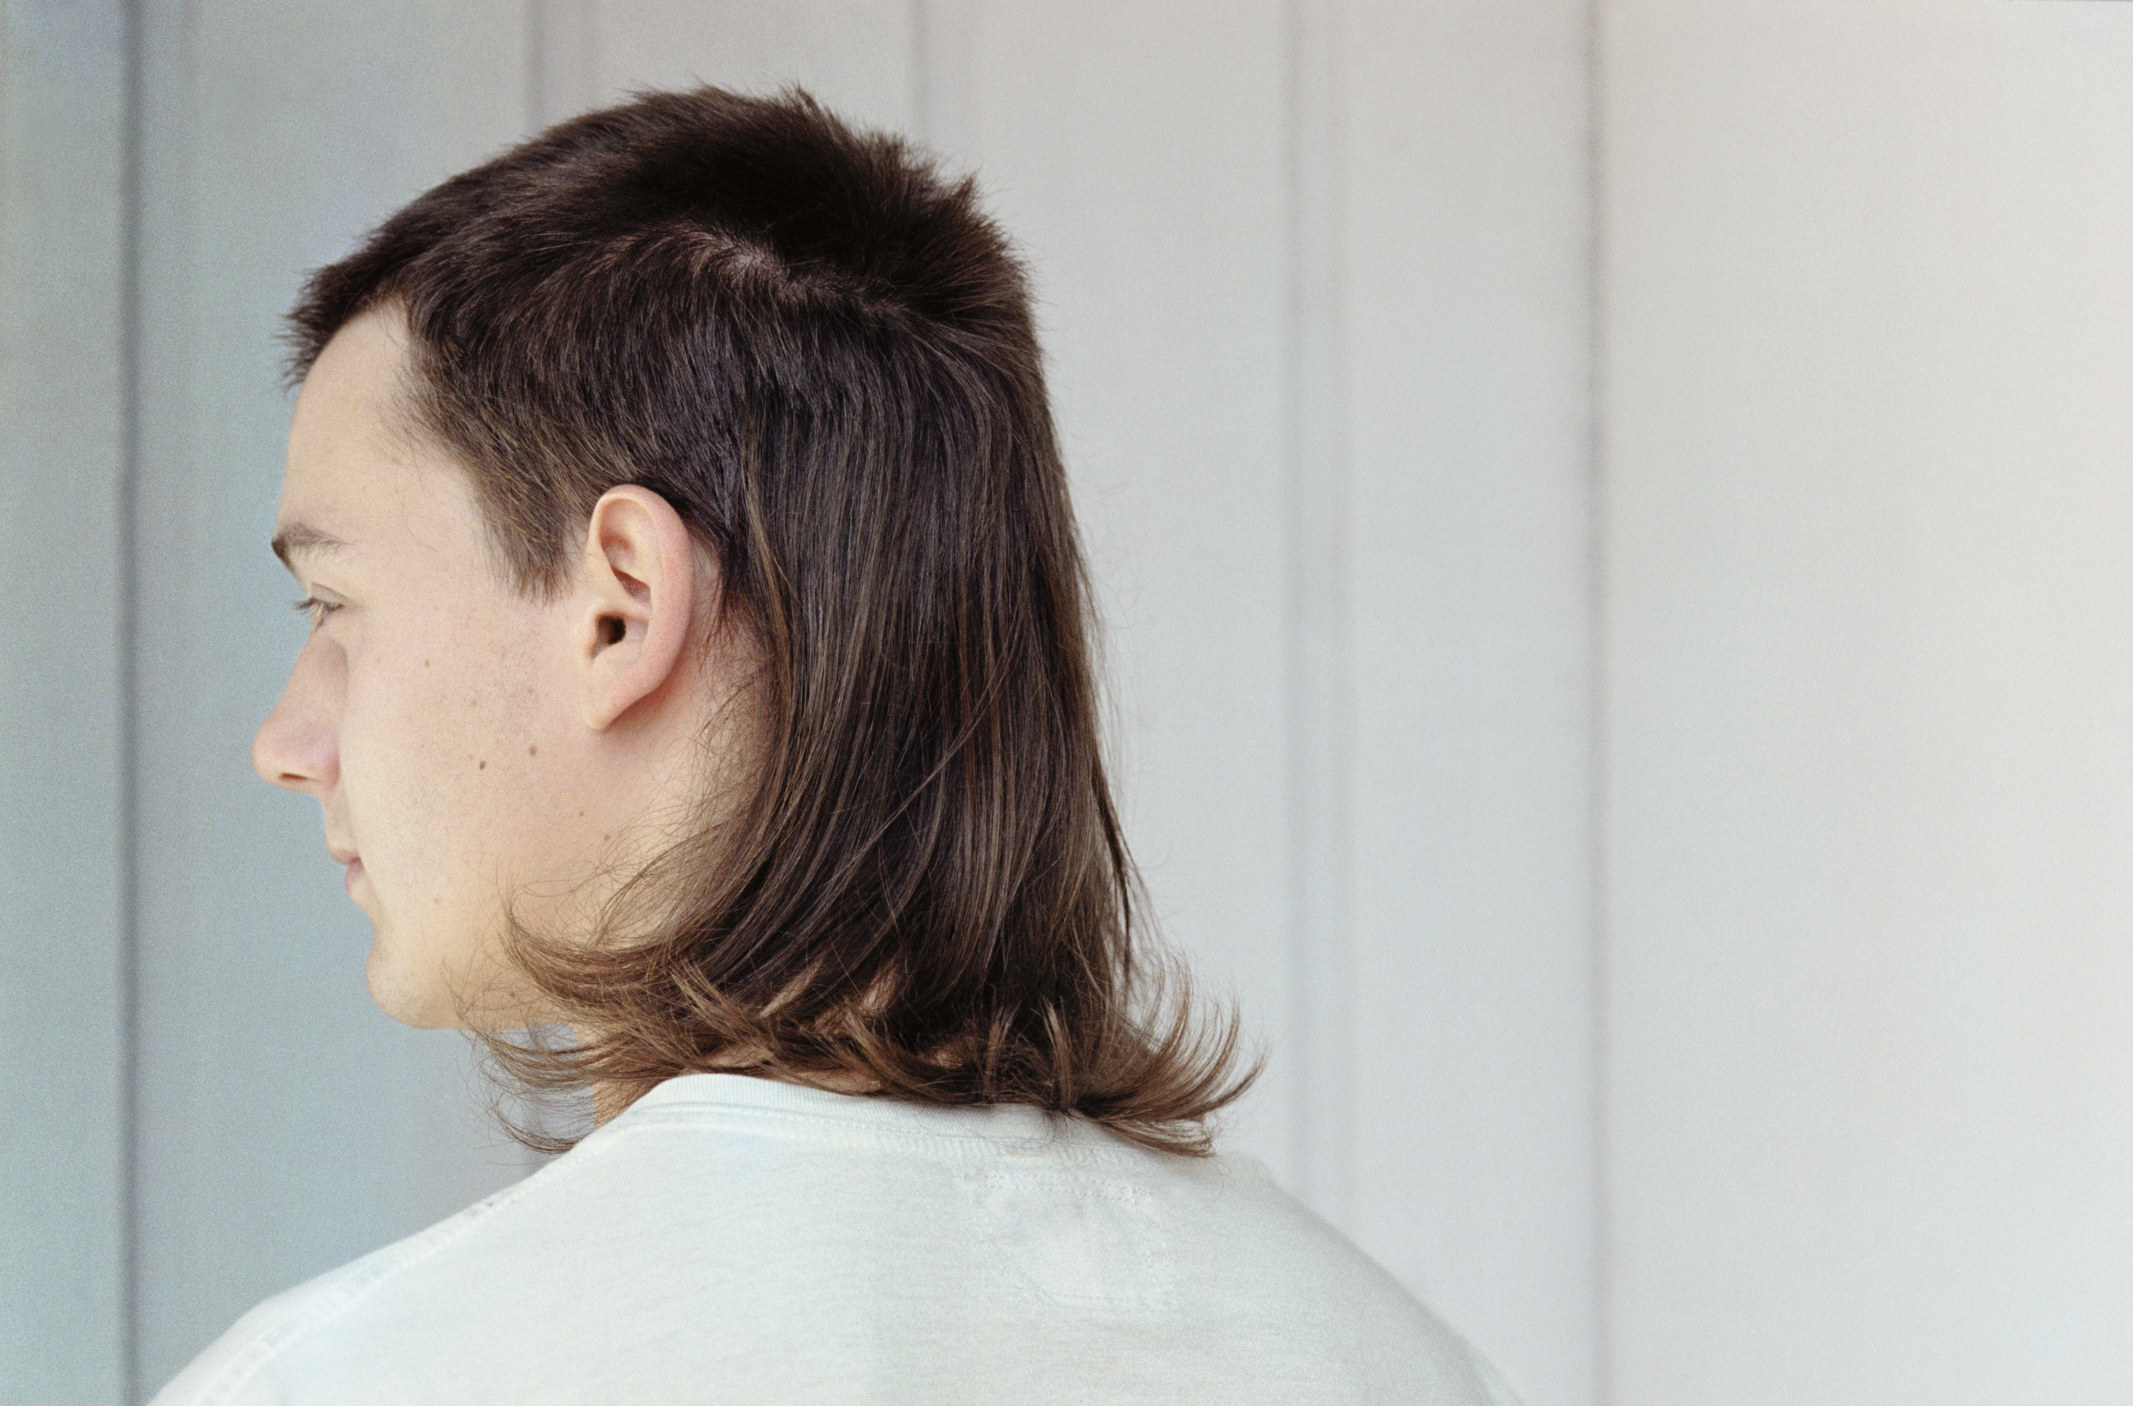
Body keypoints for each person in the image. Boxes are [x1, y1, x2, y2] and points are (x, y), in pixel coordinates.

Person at [150, 86, 1519, 1405]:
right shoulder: (1396, 1365)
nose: (289, 740)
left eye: (333, 604)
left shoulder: (354, 1380)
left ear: (621, 604)